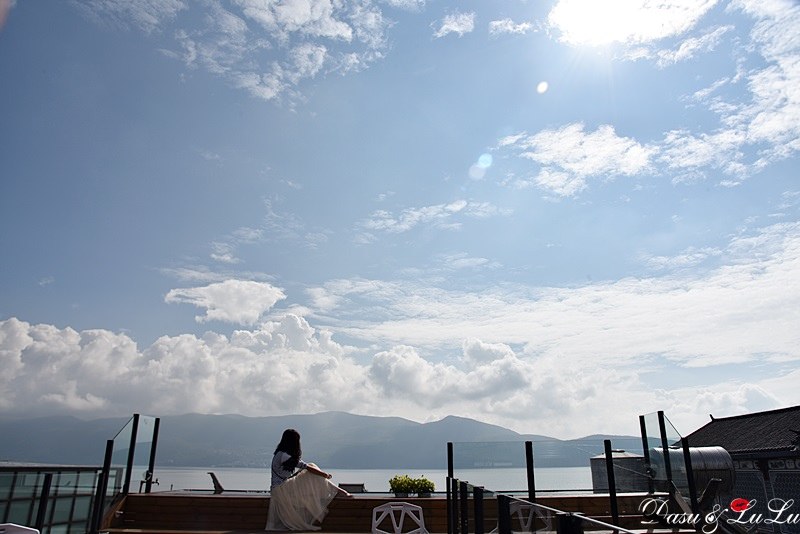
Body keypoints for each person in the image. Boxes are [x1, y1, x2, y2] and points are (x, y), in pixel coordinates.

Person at [266, 428, 352, 531]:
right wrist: (324, 474)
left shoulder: (282, 454)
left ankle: (337, 491)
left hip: (281, 488)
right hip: (280, 490)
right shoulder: (284, 455)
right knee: (311, 469)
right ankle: (339, 491)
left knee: (310, 472)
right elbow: (306, 467)